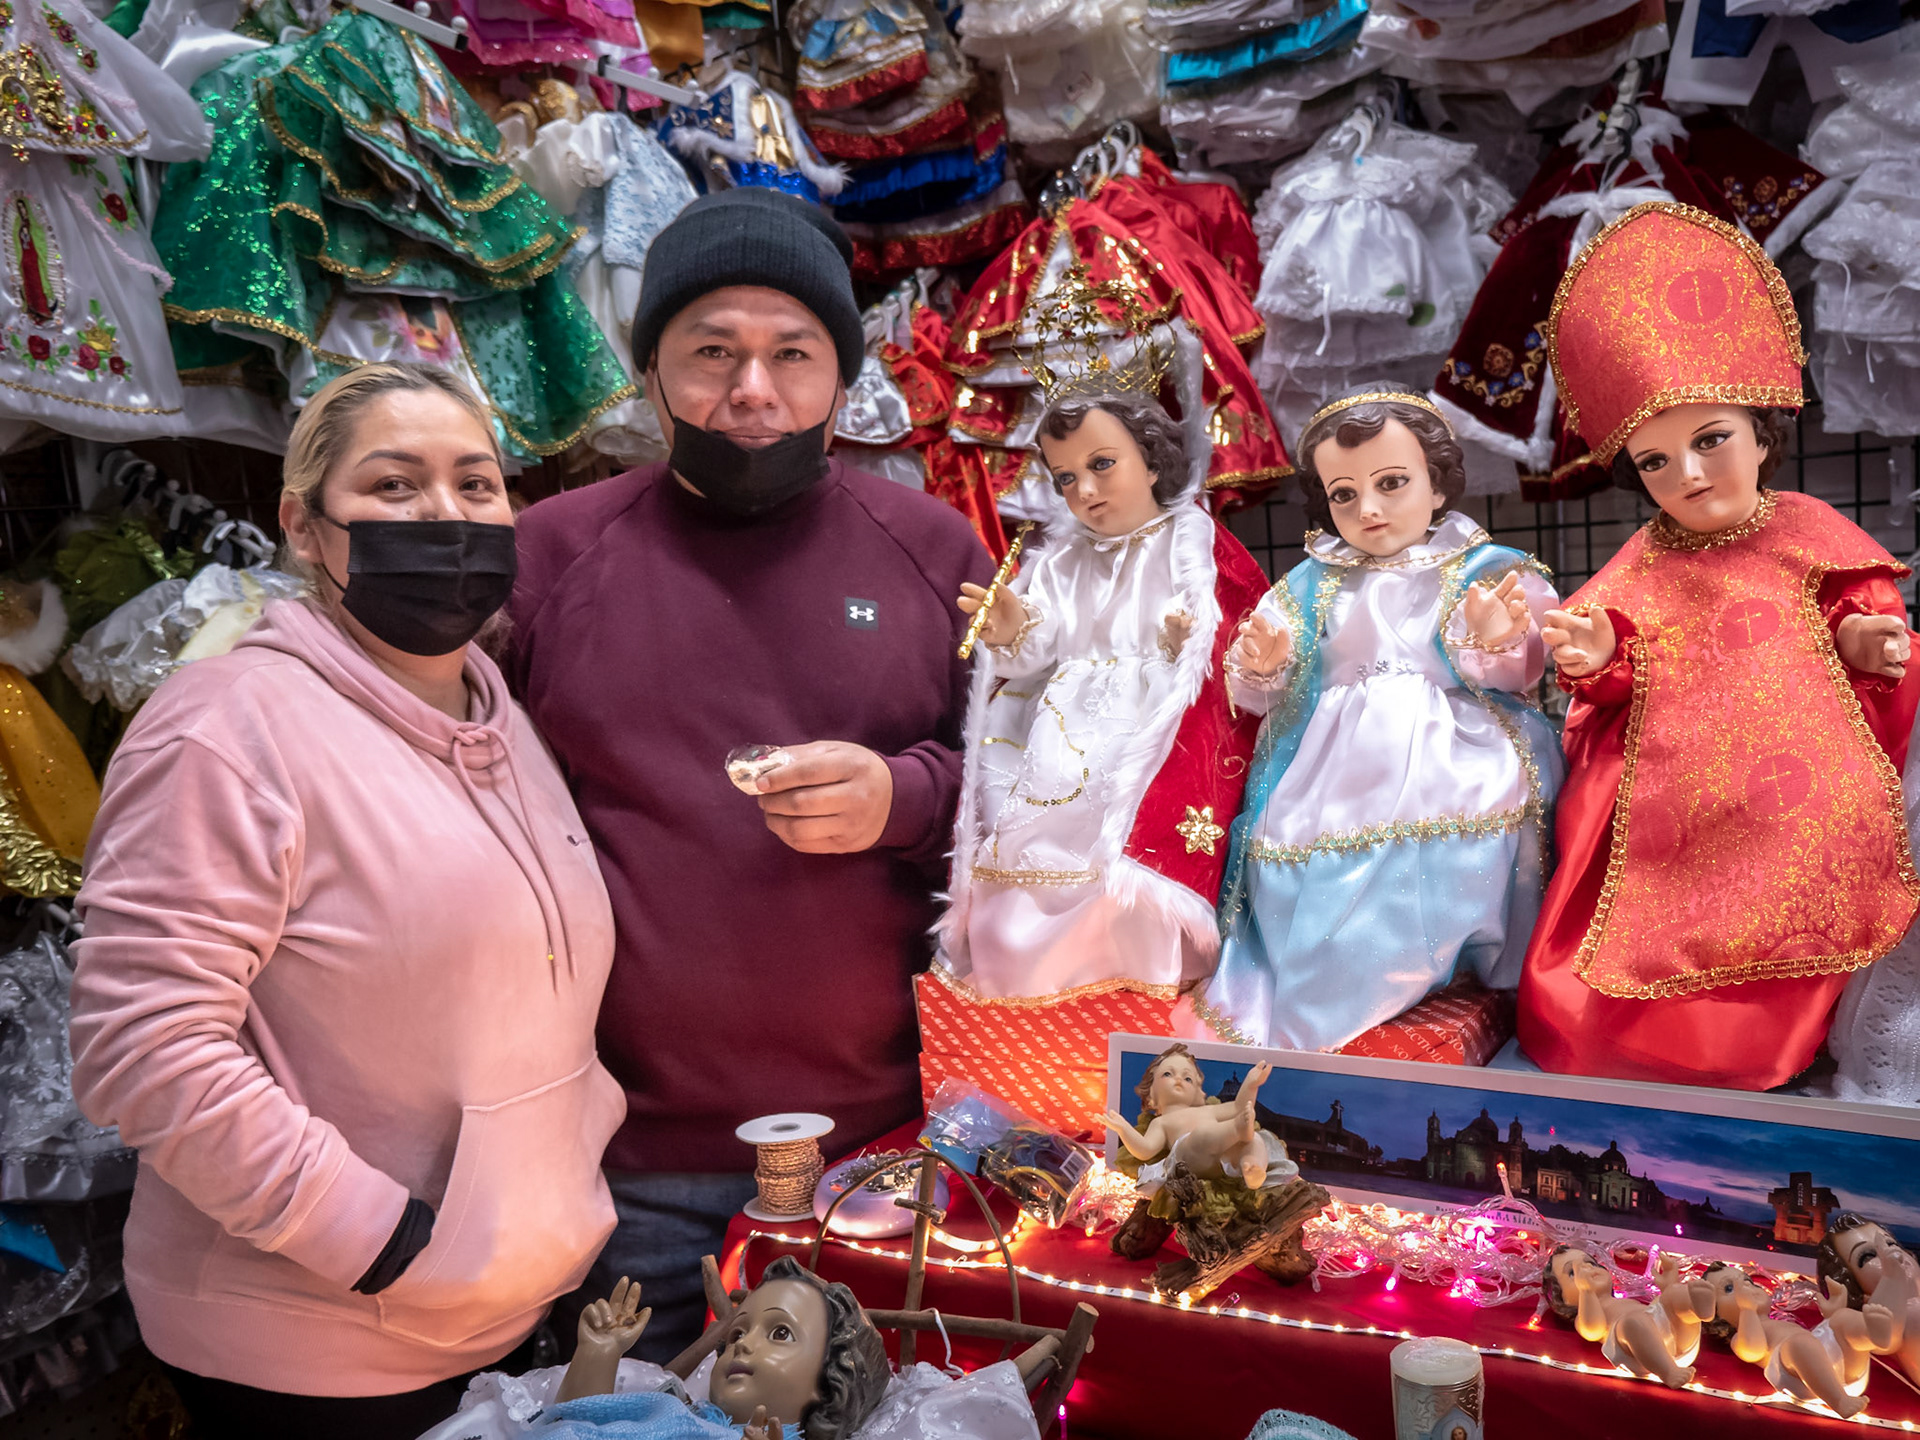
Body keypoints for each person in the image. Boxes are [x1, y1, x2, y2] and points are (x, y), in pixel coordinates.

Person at [68, 364, 625, 1440]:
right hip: (315, 1345)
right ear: (306, 526)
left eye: (475, 483)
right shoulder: (226, 726)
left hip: (500, 1309)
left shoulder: (496, 716)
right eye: (394, 485)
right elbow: (143, 1046)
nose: (446, 515)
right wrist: (381, 1241)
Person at [508, 186, 993, 1359]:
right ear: (651, 371)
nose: (752, 391)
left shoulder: (932, 550)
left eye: (792, 354)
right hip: (630, 1160)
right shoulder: (551, 554)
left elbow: (1040, 787)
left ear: (842, 374)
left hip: (885, 1147)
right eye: (710, 354)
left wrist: (906, 795)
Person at [1518, 201, 1920, 1089]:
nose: (1690, 476)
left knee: (1798, 839)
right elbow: (1617, 662)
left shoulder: (1808, 527)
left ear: (1761, 433)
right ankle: (1640, 1035)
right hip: (1677, 790)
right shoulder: (1648, 556)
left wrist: (1859, 637)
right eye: (1657, 461)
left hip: (1795, 776)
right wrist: (1595, 656)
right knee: (1631, 866)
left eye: (1710, 441)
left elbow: (1861, 605)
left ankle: (1759, 1032)